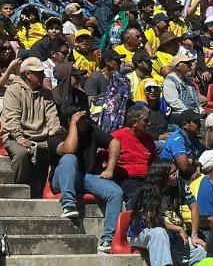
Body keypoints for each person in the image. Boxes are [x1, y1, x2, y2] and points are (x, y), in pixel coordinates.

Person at [48, 104, 123, 253]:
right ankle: (68, 203)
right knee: (69, 158)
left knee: (116, 192)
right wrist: (74, 125)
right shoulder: (56, 136)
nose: (87, 120)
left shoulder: (91, 130)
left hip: (84, 177)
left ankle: (108, 239)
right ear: (70, 120)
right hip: (62, 179)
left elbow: (115, 143)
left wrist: (110, 169)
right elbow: (69, 149)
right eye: (82, 118)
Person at [129, 159, 208, 266]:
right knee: (159, 232)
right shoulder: (148, 191)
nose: (176, 175)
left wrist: (194, 235)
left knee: (199, 251)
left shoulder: (180, 185)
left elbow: (195, 207)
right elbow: (153, 221)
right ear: (162, 176)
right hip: (141, 233)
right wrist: (178, 229)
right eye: (173, 173)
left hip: (170, 236)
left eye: (176, 171)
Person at [1, 56, 62, 198]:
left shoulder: (46, 94)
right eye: (38, 72)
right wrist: (20, 137)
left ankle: (40, 191)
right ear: (28, 74)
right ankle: (18, 188)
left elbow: (52, 118)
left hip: (41, 136)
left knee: (56, 151)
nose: (43, 75)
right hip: (14, 135)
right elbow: (11, 118)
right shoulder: (13, 90)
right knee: (21, 153)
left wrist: (56, 137)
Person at [112, 105, 157, 206]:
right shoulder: (117, 136)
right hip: (125, 178)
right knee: (136, 196)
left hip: (146, 179)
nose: (149, 124)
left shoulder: (149, 140)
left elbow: (153, 162)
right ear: (134, 121)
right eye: (145, 121)